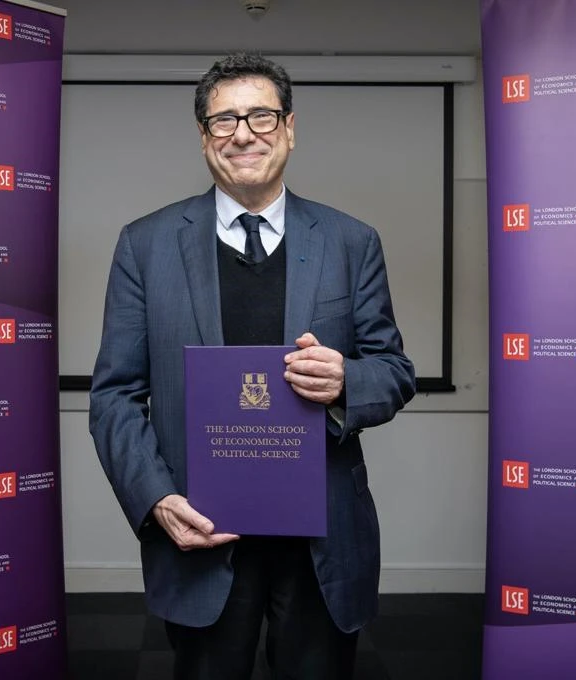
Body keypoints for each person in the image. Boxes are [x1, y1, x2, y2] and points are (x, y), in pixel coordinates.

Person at [89, 52, 415, 679]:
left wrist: (348, 379)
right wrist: (154, 497)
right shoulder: (145, 244)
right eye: (224, 121)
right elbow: (115, 396)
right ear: (204, 138)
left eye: (261, 117)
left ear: (290, 128)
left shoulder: (351, 242)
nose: (243, 134)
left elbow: (394, 369)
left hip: (321, 540)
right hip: (204, 535)